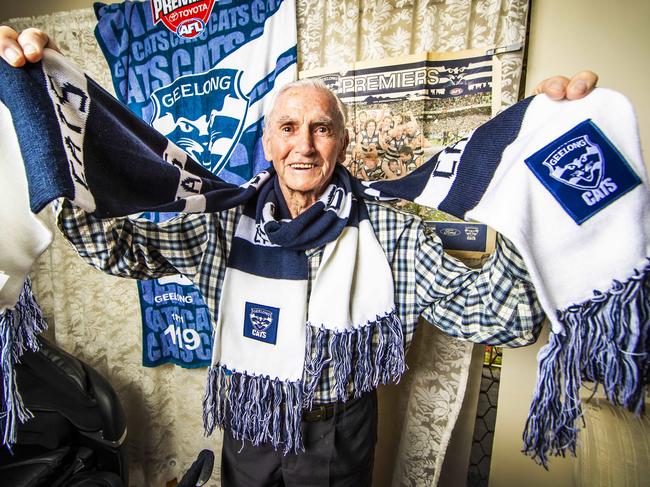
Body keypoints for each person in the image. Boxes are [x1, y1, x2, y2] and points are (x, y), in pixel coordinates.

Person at [0, 26, 599, 487]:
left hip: (339, 433)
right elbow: (116, 249)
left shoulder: (390, 231)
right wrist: (46, 131)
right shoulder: (220, 226)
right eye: (288, 127)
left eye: (321, 128)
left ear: (341, 141)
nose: (304, 145)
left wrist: (529, 187)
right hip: (249, 425)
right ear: (268, 142)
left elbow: (509, 320)